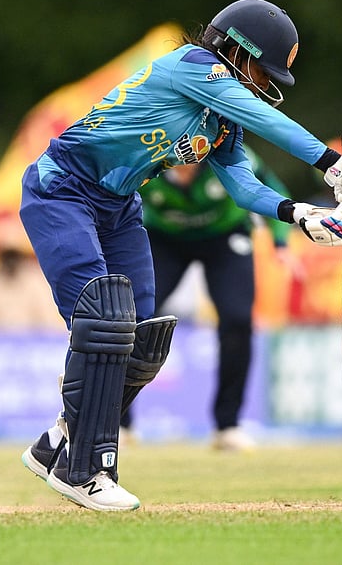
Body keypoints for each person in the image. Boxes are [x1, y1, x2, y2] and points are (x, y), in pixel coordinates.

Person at [17, 0, 342, 511]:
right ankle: (86, 470)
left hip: (119, 206)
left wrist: (301, 214)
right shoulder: (193, 66)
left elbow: (244, 187)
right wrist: (331, 163)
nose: (263, 83)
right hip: (63, 188)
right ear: (237, 50)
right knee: (105, 318)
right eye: (262, 69)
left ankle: (57, 441)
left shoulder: (220, 121)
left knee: (143, 338)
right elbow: (264, 118)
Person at [131, 146, 293, 452]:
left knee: (237, 319)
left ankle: (228, 426)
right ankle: (118, 424)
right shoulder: (143, 157)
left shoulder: (230, 154)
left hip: (226, 235)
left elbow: (272, 189)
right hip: (164, 239)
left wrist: (280, 241)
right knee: (135, 317)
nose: (186, 165)